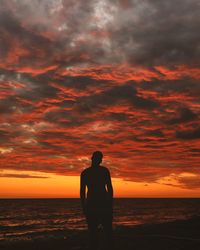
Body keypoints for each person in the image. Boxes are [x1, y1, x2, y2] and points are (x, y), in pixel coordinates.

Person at [80, 151, 113, 250]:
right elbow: (82, 191)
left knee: (105, 232)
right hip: (95, 205)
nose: (100, 160)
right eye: (99, 158)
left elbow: (110, 188)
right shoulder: (87, 173)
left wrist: (110, 204)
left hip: (100, 204)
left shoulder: (103, 171)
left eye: (100, 158)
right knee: (94, 232)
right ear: (93, 158)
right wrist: (84, 206)